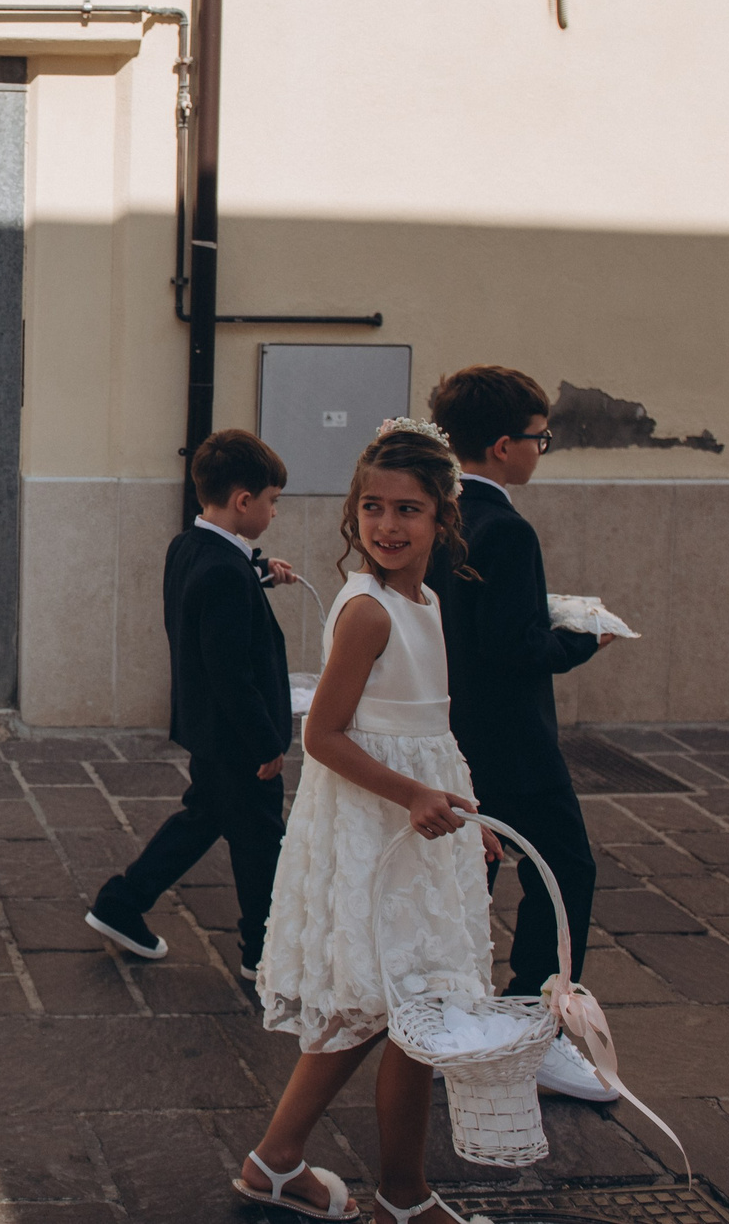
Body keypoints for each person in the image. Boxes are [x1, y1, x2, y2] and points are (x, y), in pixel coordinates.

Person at [236, 422, 496, 1224]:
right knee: (405, 1009)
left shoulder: (428, 602)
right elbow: (321, 735)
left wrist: (464, 805)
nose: (387, 525)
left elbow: (429, 731)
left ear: (443, 514)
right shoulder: (370, 612)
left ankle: (274, 1162)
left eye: (408, 510)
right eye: (373, 507)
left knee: (375, 1005)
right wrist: (414, 796)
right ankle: (404, 1198)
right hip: (374, 824)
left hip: (415, 819)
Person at [425, 364, 616, 1105]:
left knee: (469, 884)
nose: (544, 449)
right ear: (503, 445)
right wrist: (584, 638)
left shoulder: (437, 511)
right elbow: (516, 647)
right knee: (566, 875)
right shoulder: (506, 526)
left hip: (453, 732)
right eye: (540, 438)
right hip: (513, 742)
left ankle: (456, 1019)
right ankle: (535, 1028)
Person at [83, 430, 294, 978]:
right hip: (237, 736)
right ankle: (261, 954)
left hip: (208, 729)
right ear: (244, 501)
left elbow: (217, 593)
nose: (274, 513)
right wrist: (267, 741)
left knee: (205, 818)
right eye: (272, 501)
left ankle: (121, 903)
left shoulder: (192, 546)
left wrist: (260, 572)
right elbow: (230, 670)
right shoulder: (226, 571)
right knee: (260, 843)